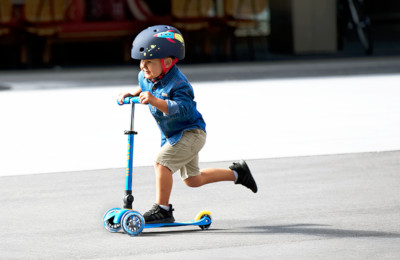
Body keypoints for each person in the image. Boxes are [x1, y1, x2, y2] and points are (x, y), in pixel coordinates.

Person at [118, 25, 257, 224]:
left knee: (161, 162)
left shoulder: (179, 83)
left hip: (191, 133)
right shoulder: (145, 76)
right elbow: (144, 87)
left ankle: (163, 209)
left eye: (149, 62)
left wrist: (154, 100)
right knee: (193, 180)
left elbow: (183, 109)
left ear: (167, 62)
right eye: (142, 61)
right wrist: (132, 94)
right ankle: (238, 173)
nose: (143, 66)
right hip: (173, 135)